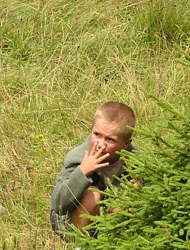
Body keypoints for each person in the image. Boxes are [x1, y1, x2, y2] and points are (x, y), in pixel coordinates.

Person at [50, 101, 136, 236]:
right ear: (91, 129)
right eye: (97, 134)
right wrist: (81, 172)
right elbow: (58, 204)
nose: (100, 144)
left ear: (126, 143)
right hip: (72, 223)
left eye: (110, 140)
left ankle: (118, 247)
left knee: (125, 198)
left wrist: (141, 187)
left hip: (109, 220)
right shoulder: (77, 159)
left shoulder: (136, 162)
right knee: (93, 194)